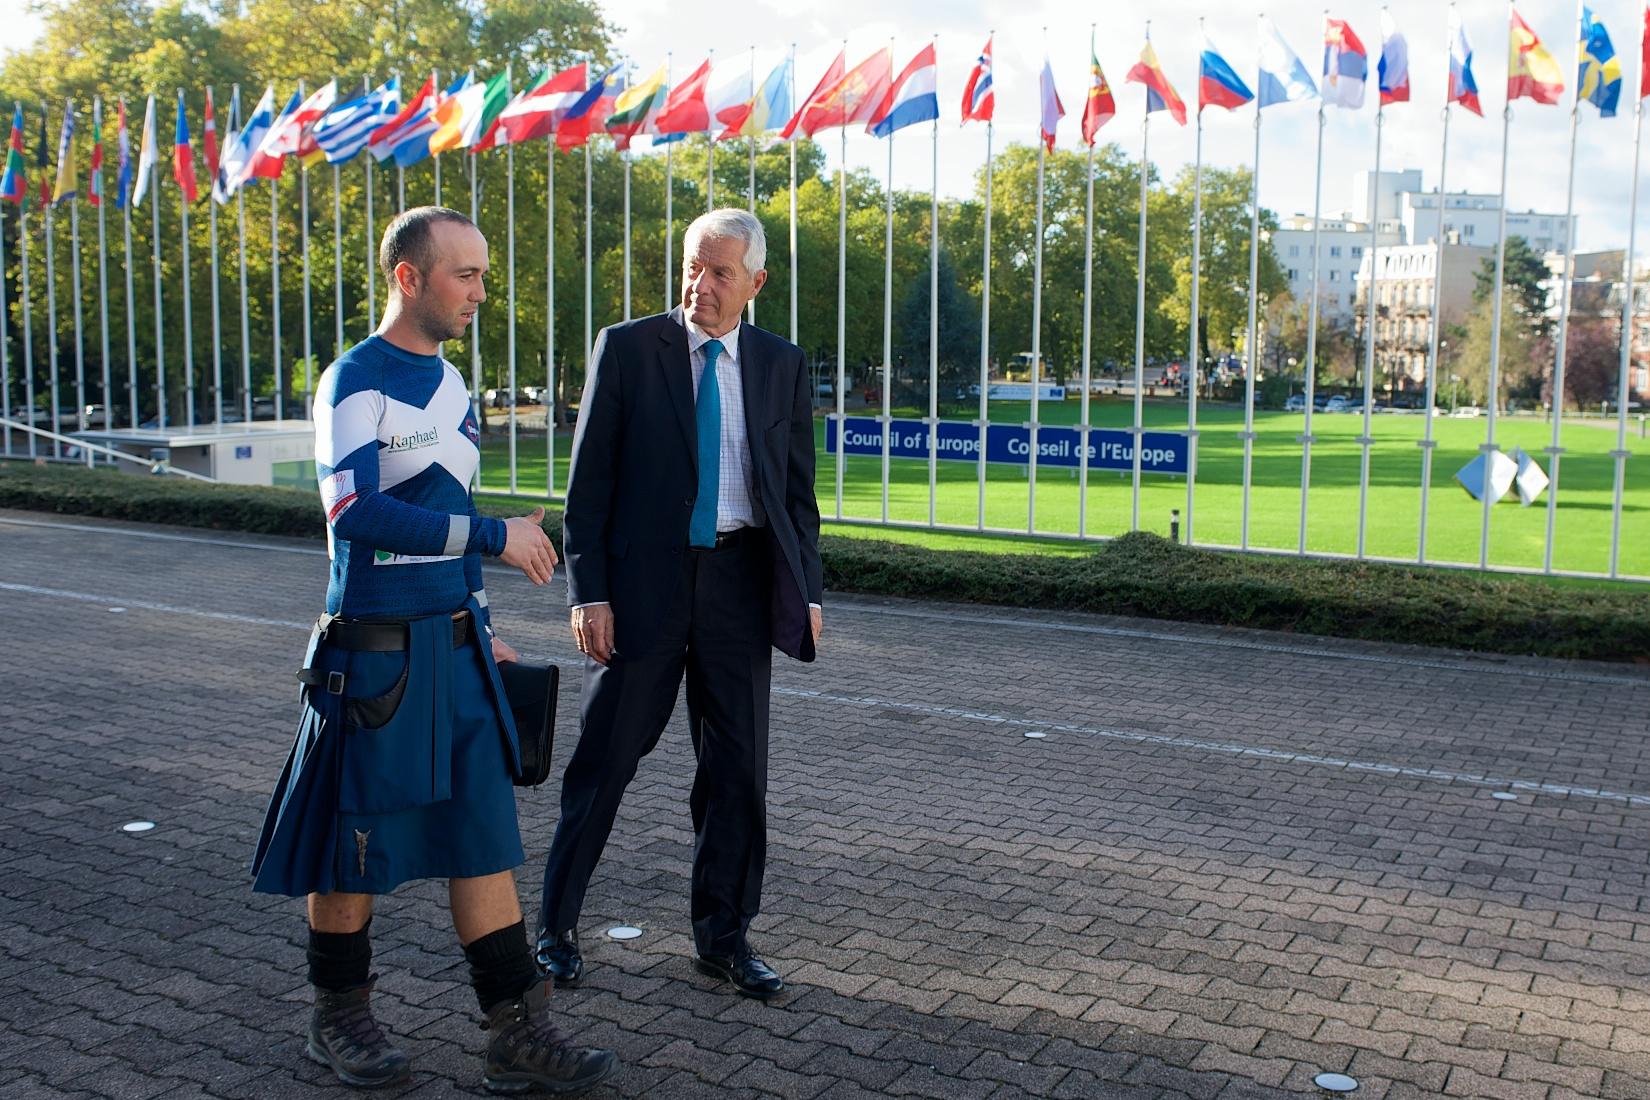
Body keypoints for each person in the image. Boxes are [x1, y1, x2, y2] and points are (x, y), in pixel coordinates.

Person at [250, 206, 616, 1094]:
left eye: (484, 275)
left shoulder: (454, 385)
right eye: (466, 275)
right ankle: (337, 1017)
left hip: (455, 652)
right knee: (354, 848)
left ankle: (518, 1032)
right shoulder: (353, 379)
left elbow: (445, 503)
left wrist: (481, 621)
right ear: (409, 278)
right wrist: (490, 536)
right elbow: (355, 514)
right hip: (374, 658)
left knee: (483, 838)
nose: (481, 293)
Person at [536, 208, 824, 999]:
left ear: (756, 283)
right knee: (606, 762)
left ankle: (723, 939)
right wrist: (587, 592)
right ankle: (554, 928)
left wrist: (809, 588)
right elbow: (587, 486)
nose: (701, 284)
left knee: (738, 775)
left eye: (720, 272)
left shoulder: (781, 364)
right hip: (641, 595)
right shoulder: (628, 349)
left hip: (739, 590)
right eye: (694, 267)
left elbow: (797, 498)